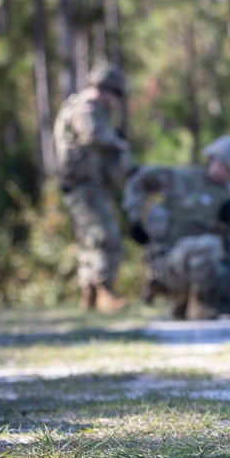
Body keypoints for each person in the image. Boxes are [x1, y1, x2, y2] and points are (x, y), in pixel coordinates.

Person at [121, 136, 230, 320]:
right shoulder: (181, 178)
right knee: (210, 245)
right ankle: (198, 307)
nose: (222, 172)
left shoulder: (226, 199)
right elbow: (138, 179)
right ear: (211, 158)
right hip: (168, 263)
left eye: (229, 170)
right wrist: (135, 220)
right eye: (220, 164)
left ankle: (185, 305)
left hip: (206, 267)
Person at [53, 63, 135, 313]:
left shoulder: (92, 109)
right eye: (116, 94)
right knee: (104, 235)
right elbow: (91, 135)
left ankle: (90, 296)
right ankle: (104, 291)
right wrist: (117, 143)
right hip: (83, 185)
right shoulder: (85, 109)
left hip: (89, 184)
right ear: (106, 89)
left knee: (90, 239)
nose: (116, 101)